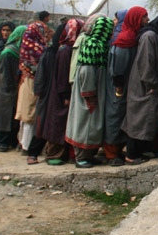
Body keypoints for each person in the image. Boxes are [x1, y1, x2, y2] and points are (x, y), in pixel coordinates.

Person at [121, 12, 158, 163]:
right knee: (138, 119)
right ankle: (131, 154)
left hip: (150, 85)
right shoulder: (149, 37)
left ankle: (141, 151)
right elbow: (146, 62)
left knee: (146, 119)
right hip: (144, 86)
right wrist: (151, 83)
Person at [65, 16, 114, 168]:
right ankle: (81, 158)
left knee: (91, 126)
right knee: (84, 124)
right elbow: (86, 71)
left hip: (95, 92)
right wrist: (89, 94)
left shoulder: (100, 45)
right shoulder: (93, 46)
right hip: (88, 94)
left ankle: (89, 156)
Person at [105, 6, 148, 166]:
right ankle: (111, 153)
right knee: (115, 115)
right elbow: (118, 68)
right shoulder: (125, 40)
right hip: (119, 88)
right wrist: (119, 87)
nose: (147, 20)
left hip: (128, 86)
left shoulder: (134, 37)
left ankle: (121, 150)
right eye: (144, 17)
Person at [39, 18, 83, 165]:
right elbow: (63, 75)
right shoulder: (66, 51)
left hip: (60, 93)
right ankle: (54, 155)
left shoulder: (66, 48)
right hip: (61, 95)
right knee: (58, 124)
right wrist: (65, 94)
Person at [29, 23, 65, 165]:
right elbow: (41, 75)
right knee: (42, 122)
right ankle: (33, 152)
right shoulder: (50, 53)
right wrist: (40, 92)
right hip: (47, 94)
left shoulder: (63, 51)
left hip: (56, 94)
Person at [16, 22, 47, 158]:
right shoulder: (36, 47)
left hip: (25, 80)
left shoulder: (24, 44)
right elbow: (38, 67)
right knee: (30, 114)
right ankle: (26, 146)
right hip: (33, 81)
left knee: (25, 113)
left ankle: (21, 142)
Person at [0, 25, 25, 152]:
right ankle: (2, 142)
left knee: (13, 117)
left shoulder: (18, 51)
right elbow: (5, 74)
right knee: (5, 116)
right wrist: (12, 86)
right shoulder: (8, 52)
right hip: (8, 89)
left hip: (15, 88)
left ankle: (12, 141)